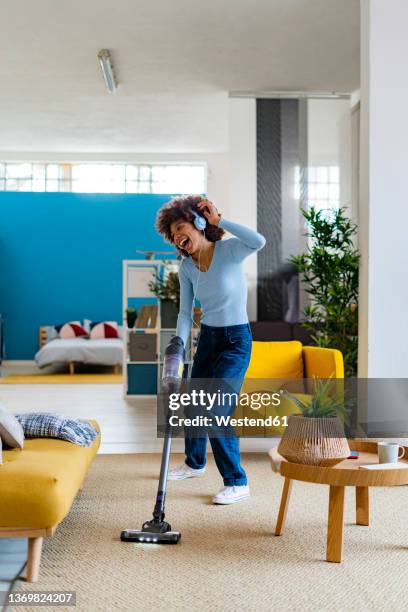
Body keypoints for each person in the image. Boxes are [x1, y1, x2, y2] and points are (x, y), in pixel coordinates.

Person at [156, 195, 266, 504]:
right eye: (173, 233)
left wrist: (221, 221)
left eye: (181, 227)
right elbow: (184, 314)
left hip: (236, 341)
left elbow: (259, 241)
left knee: (217, 410)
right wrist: (177, 344)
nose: (178, 237)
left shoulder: (231, 251)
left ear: (199, 223)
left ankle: (236, 481)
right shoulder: (186, 267)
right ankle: (194, 463)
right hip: (208, 339)